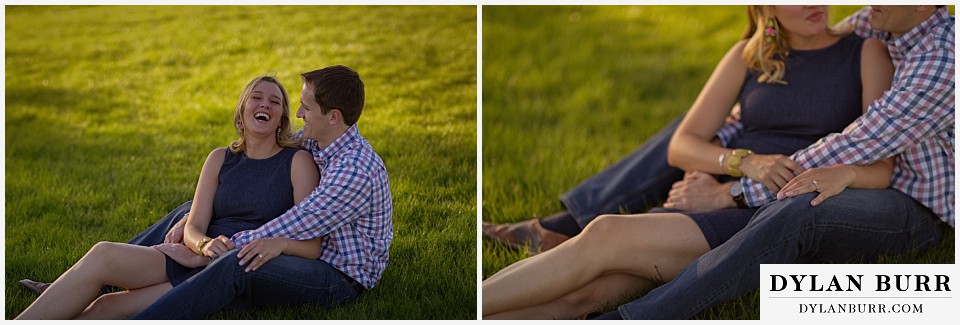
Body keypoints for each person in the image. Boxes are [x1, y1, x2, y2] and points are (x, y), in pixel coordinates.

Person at [482, 5, 895, 319]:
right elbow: (681, 145)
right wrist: (744, 162)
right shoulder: (747, 56)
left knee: (605, 232)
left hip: (771, 216)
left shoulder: (865, 52)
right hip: (711, 202)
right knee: (586, 294)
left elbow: (881, 162)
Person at [602, 5, 953, 319]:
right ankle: (579, 224)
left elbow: (860, 143)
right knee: (611, 247)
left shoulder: (942, 58)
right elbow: (814, 64)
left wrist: (733, 192)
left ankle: (635, 317)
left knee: (797, 207)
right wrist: (732, 152)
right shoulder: (878, 20)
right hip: (863, 175)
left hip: (918, 204)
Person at [16, 75, 323, 319]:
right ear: (242, 110)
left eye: (275, 101)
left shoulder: (296, 162)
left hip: (228, 269)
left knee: (106, 308)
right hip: (194, 255)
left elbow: (310, 241)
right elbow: (194, 224)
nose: (265, 105)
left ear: (282, 116)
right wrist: (203, 243)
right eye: (257, 98)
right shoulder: (219, 158)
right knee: (104, 254)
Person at [129, 65, 393, 319]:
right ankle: (125, 265)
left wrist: (208, 249)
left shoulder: (356, 169)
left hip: (336, 275)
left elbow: (300, 221)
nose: (299, 113)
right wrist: (195, 224)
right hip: (311, 251)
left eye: (307, 107)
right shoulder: (321, 139)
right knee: (191, 208)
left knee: (238, 261)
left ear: (333, 117)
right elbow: (280, 144)